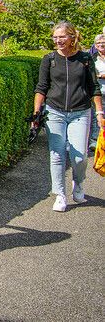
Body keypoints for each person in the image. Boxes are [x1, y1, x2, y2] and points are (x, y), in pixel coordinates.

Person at [33, 22, 104, 212]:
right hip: (54, 111)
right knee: (56, 154)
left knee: (79, 156)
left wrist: (99, 112)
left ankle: (78, 184)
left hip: (80, 111)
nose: (58, 41)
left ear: (72, 37)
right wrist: (36, 112)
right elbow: (41, 87)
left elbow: (94, 88)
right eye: (55, 37)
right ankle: (60, 194)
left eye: (62, 37)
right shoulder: (49, 59)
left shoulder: (85, 59)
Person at [89, 34, 105, 149]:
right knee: (97, 116)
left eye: (103, 43)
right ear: (95, 45)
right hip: (98, 91)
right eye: (98, 43)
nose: (101, 45)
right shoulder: (92, 58)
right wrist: (99, 75)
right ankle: (95, 140)